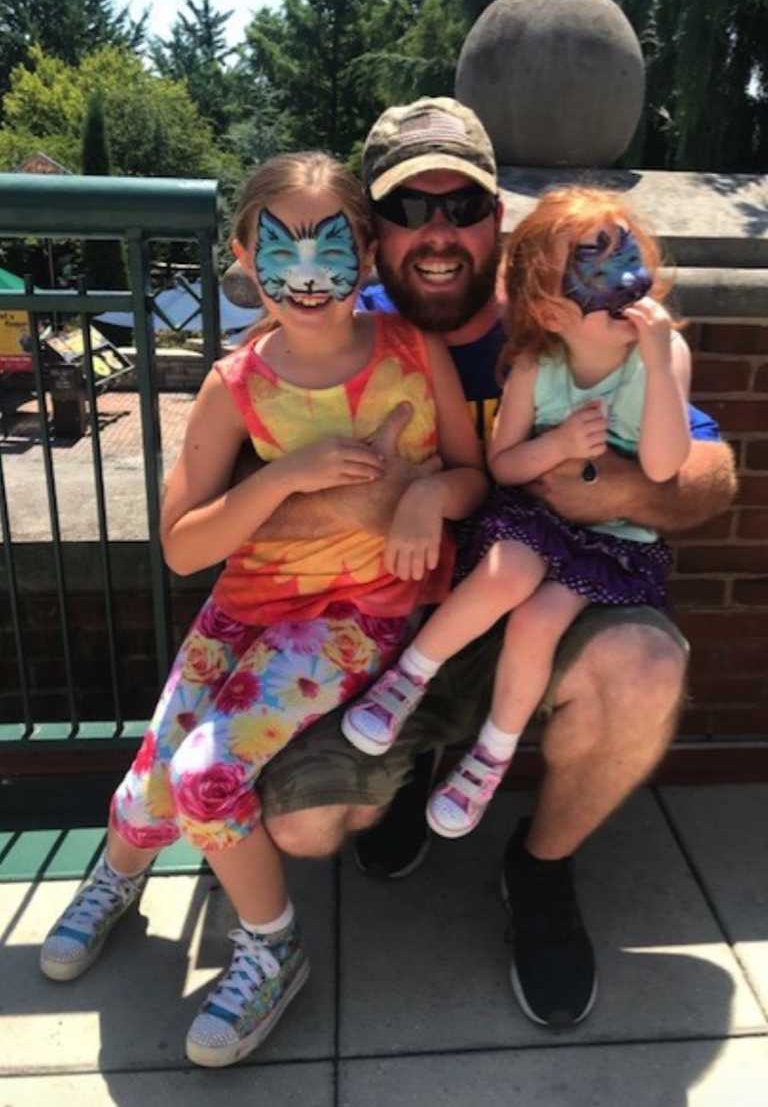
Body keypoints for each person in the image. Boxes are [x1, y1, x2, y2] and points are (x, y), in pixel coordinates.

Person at [247, 99, 736, 1030]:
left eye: (462, 205)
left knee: (643, 665)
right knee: (304, 824)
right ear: (370, 231)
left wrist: (620, 488)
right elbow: (245, 503)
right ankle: (415, 758)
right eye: (409, 209)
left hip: (554, 588)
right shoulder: (328, 325)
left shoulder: (570, 314)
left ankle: (540, 868)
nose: (438, 233)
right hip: (395, 619)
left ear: (497, 220)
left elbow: (708, 477)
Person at [39, 149, 485, 1066]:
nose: (309, 275)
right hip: (248, 606)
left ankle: (272, 949)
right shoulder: (234, 386)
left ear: (366, 255)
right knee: (159, 766)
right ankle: (119, 874)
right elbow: (183, 545)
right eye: (281, 248)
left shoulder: (414, 351)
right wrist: (284, 477)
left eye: (332, 245)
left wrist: (424, 499)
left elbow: (473, 478)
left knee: (206, 778)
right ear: (244, 256)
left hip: (353, 616)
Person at [342, 186, 692, 843]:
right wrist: (557, 447)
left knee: (540, 616)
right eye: (594, 268)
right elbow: (502, 466)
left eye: (629, 261)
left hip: (614, 541)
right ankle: (407, 680)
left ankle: (488, 758)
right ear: (551, 310)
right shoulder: (538, 364)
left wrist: (655, 363)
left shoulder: (665, 356)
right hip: (535, 519)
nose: (622, 285)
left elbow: (667, 467)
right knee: (506, 573)